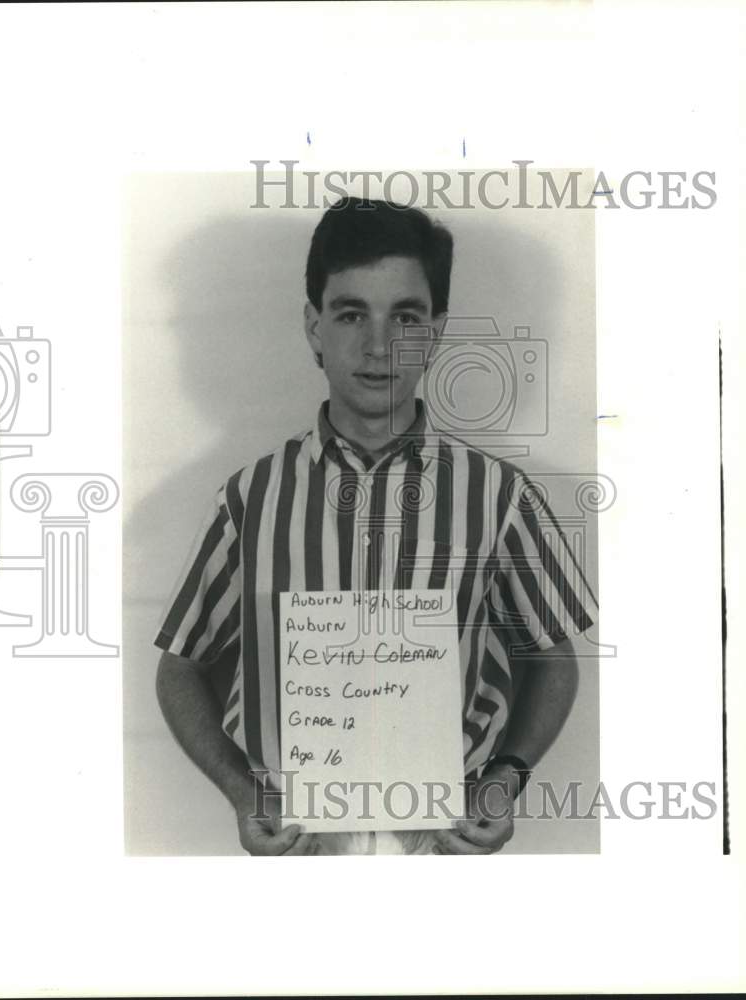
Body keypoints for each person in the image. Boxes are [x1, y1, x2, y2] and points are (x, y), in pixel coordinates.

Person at [154, 196, 597, 855]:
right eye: (351, 313)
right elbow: (179, 668)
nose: (378, 345)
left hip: (440, 853)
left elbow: (554, 658)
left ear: (436, 331)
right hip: (296, 854)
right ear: (314, 327)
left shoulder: (499, 495)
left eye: (406, 316)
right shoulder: (250, 497)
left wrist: (505, 778)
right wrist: (241, 793)